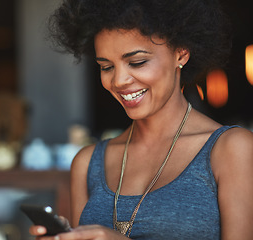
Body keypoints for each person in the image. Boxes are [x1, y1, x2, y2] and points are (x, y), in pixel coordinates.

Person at [30, 0, 253, 239]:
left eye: (137, 62)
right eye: (106, 67)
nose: (119, 81)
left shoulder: (231, 149)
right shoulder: (88, 163)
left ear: (181, 54)